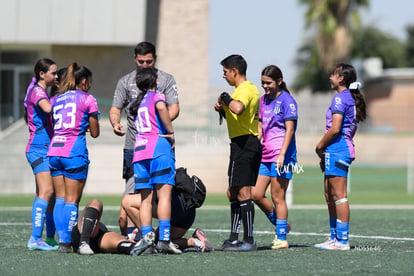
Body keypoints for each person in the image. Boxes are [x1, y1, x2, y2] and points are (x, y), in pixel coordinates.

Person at [109, 41, 179, 237]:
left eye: (149, 61)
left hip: (158, 144)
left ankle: (156, 236)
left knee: (157, 196)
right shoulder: (125, 81)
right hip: (134, 148)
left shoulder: (165, 79)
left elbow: (173, 108)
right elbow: (115, 109)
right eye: (141, 61)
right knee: (128, 209)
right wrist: (115, 123)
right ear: (135, 59)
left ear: (154, 59)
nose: (145, 65)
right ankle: (142, 236)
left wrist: (154, 121)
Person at [47, 62, 100, 253]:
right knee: (72, 200)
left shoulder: (56, 99)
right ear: (84, 81)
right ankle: (66, 242)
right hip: (73, 152)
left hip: (54, 151)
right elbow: (94, 133)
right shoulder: (88, 99)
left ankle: (62, 241)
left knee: (60, 199)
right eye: (90, 81)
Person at [125, 67, 179, 256]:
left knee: (145, 200)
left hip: (139, 152)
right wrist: (170, 131)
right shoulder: (156, 96)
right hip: (158, 149)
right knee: (164, 196)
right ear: (155, 81)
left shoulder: (135, 102)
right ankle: (164, 240)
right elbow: (163, 108)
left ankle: (147, 239)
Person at [314, 63, 367, 251]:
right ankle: (334, 237)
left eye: (333, 75)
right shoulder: (348, 98)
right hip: (335, 149)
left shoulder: (340, 99)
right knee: (329, 194)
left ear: (341, 78)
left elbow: (336, 129)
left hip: (338, 149)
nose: (330, 77)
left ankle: (342, 241)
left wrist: (320, 145)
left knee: (339, 196)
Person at [213, 54, 262, 252]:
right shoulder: (242, 90)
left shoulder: (245, 89)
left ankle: (249, 240)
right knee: (233, 191)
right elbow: (236, 115)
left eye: (225, 72)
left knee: (243, 193)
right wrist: (223, 110)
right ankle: (234, 238)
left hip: (245, 144)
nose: (224, 76)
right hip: (240, 144)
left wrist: (225, 97)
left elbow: (239, 108)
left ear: (234, 71)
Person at [251, 65, 298, 250]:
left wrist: (282, 155)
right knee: (255, 193)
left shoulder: (288, 101)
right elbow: (261, 126)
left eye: (268, 82)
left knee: (278, 197)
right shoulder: (263, 100)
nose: (265, 86)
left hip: (282, 157)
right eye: (263, 82)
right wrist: (255, 142)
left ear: (279, 81)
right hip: (265, 155)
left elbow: (290, 130)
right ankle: (280, 224)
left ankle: (281, 238)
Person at [24, 58, 59, 251]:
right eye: (53, 73)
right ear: (42, 74)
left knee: (48, 195)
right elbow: (48, 108)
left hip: (46, 148)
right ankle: (35, 239)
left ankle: (50, 238)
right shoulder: (37, 91)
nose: (55, 76)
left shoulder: (40, 90)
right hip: (38, 149)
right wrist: (67, 100)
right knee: (47, 192)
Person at [122, 190, 213, 253]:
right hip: (188, 212)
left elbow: (122, 217)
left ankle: (148, 239)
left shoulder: (150, 166)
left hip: (172, 207)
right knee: (161, 243)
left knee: (127, 202)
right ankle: (193, 241)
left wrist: (125, 235)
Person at [71, 199, 138, 255]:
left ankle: (131, 246)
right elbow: (122, 218)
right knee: (95, 202)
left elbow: (122, 218)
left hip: (91, 237)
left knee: (95, 202)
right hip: (95, 239)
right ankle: (131, 245)